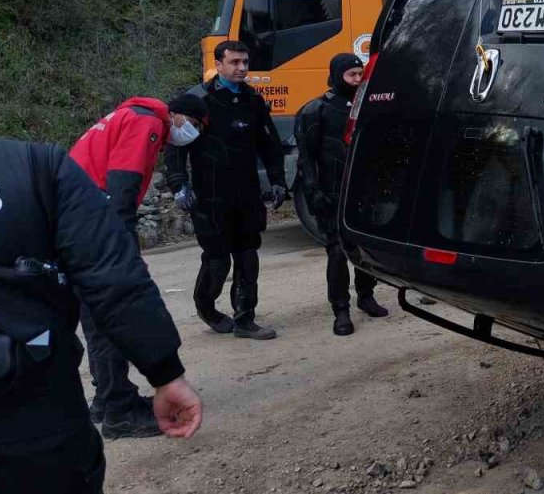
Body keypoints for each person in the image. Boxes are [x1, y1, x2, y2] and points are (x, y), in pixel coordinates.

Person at [0, 139, 202, 493]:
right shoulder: (37, 166)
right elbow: (112, 276)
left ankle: (113, 400)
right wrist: (165, 372)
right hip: (37, 432)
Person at [68, 94, 207, 439]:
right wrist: (123, 250)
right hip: (90, 221)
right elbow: (122, 189)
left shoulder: (127, 115)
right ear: (177, 116)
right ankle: (119, 411)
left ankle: (107, 399)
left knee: (97, 315)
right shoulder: (146, 122)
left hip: (74, 218)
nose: (192, 132)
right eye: (194, 125)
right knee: (111, 311)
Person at [165, 40, 287, 341]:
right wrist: (179, 185)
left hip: (246, 193)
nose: (241, 68)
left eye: (245, 62)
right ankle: (206, 307)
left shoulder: (253, 100)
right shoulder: (198, 101)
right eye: (234, 62)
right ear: (218, 64)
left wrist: (277, 180)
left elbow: (269, 144)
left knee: (248, 256)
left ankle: (245, 319)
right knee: (218, 259)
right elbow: (176, 148)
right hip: (210, 195)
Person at [296, 54, 390, 336]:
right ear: (338, 75)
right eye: (352, 75)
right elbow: (306, 158)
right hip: (331, 193)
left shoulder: (370, 105)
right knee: (337, 253)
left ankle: (366, 296)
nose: (358, 79)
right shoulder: (316, 110)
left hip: (363, 192)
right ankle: (341, 310)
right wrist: (312, 191)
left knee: (364, 249)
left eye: (360, 74)